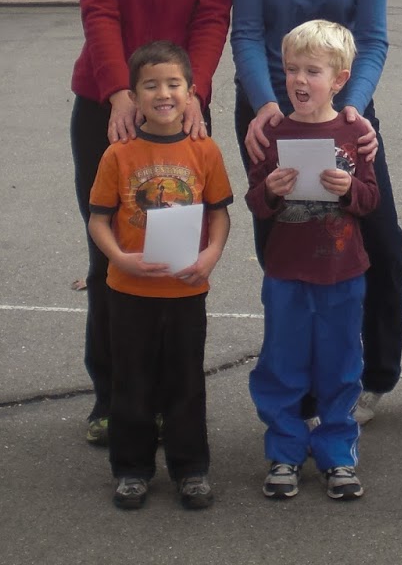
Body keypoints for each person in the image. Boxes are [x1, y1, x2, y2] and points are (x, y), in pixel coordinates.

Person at [231, 0, 402, 424]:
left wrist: (348, 110)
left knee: (378, 241)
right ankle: (299, 387)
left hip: (343, 111)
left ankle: (375, 375)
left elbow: (374, 38)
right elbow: (248, 31)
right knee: (287, 246)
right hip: (271, 111)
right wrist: (269, 108)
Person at [71, 0, 233, 447]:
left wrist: (192, 91)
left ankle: (172, 397)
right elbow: (99, 9)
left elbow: (213, 14)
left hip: (182, 110)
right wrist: (117, 93)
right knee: (111, 251)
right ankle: (111, 397)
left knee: (174, 253)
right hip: (105, 108)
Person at [87, 41, 233, 511]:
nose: (163, 93)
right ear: (134, 95)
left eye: (173, 84)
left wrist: (211, 255)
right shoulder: (118, 155)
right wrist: (120, 260)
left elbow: (219, 215)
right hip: (129, 290)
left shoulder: (204, 150)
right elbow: (98, 219)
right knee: (132, 380)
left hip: (186, 288)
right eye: (150, 85)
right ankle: (131, 469)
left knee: (186, 380)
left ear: (192, 93)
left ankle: (191, 469)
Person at [246, 20, 377, 502]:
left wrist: (349, 191)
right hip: (286, 271)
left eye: (313, 71)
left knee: (341, 366)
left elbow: (371, 199)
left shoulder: (355, 131)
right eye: (292, 69)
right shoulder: (274, 130)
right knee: (281, 364)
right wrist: (271, 193)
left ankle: (337, 453)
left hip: (342, 272)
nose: (299, 80)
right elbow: (255, 203)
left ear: (339, 79)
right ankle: (284, 451)